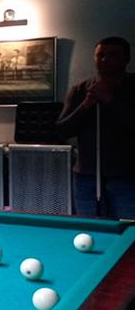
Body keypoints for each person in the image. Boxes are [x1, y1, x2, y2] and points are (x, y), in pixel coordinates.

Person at [56, 36, 135, 219]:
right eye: (101, 55)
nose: (105, 60)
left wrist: (109, 99)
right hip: (86, 176)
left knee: (130, 229)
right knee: (90, 229)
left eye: (112, 55)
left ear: (126, 59)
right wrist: (86, 105)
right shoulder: (80, 90)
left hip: (127, 177)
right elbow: (62, 130)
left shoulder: (132, 87)